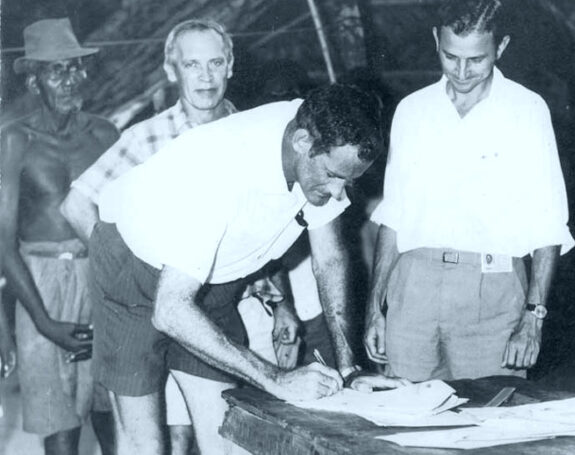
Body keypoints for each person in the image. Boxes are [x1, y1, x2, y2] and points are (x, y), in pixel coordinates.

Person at [89, 83, 407, 454]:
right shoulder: (221, 171)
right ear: (302, 142)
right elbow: (171, 310)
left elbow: (330, 259)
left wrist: (349, 370)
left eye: (348, 182)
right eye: (334, 177)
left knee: (227, 435)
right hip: (135, 267)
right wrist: (277, 379)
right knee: (145, 443)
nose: (339, 194)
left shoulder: (320, 128)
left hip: (214, 276)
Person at [60, 18, 247, 455]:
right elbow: (76, 205)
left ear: (230, 65)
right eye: (192, 65)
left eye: (215, 62)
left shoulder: (248, 131)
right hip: (140, 305)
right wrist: (125, 271)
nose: (204, 76)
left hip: (210, 303)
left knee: (222, 439)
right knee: (147, 446)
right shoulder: (147, 137)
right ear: (171, 71)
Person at [364, 0, 574, 382]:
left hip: (493, 295)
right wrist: (374, 308)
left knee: (490, 429)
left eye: (476, 60)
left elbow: (549, 227)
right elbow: (393, 217)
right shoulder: (413, 110)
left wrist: (533, 318)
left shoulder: (528, 111)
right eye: (450, 57)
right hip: (413, 291)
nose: (461, 72)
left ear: (501, 47)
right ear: (435, 40)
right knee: (402, 429)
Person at [0, 18, 118, 455]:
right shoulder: (14, 141)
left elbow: (123, 222)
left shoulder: (105, 134)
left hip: (102, 279)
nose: (71, 81)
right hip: (40, 287)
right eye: (57, 72)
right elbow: (2, 242)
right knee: (62, 431)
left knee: (116, 416)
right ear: (34, 80)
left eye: (75, 69)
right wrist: (44, 323)